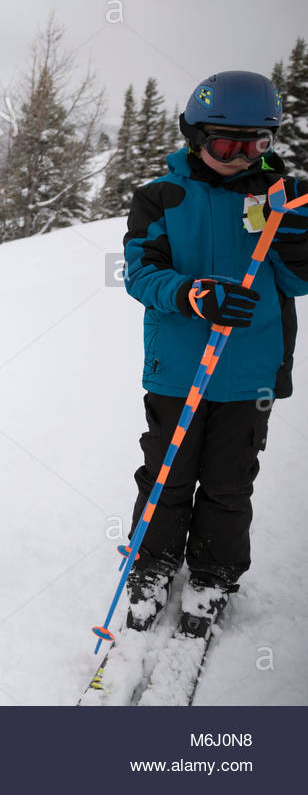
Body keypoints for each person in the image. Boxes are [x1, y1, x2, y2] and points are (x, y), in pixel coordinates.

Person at [121, 70, 308, 632]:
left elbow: (298, 283)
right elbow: (140, 274)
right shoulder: (161, 196)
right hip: (178, 370)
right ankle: (151, 564)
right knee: (166, 476)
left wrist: (294, 227)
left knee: (230, 483)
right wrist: (192, 294)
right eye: (228, 143)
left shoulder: (279, 192)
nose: (242, 155)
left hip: (249, 370)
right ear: (194, 134)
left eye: (258, 143)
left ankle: (214, 572)